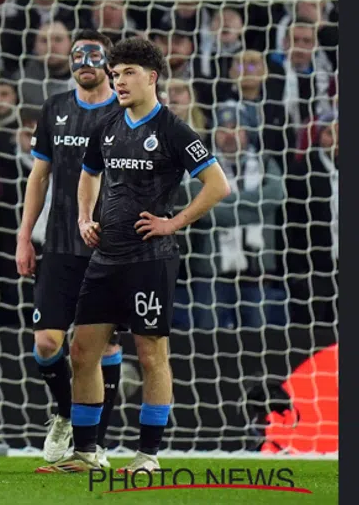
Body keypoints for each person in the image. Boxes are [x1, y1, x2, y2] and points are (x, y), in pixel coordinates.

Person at [57, 37, 230, 473]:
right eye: (115, 75)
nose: (119, 81)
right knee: (81, 353)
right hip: (106, 256)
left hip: (150, 259)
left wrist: (173, 222)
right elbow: (88, 173)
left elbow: (217, 185)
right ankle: (87, 453)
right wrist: (83, 218)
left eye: (128, 73)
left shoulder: (173, 129)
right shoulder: (109, 125)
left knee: (152, 355)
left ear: (152, 77)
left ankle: (147, 455)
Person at [15, 30, 123, 471]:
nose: (85, 62)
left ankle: (93, 442)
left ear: (110, 64)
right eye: (78, 55)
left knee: (101, 350)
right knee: (46, 344)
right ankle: (63, 411)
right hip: (59, 244)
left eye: (94, 56)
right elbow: (38, 177)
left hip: (110, 248)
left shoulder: (125, 111)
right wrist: (25, 236)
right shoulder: (55, 108)